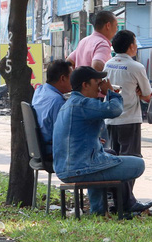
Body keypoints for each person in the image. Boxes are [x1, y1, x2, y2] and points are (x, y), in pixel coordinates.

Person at [52, 66, 145, 216]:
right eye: (97, 82)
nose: (100, 85)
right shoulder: (82, 104)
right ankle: (115, 207)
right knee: (138, 164)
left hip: (66, 167)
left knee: (106, 157)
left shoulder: (70, 104)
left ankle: (99, 211)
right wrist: (111, 92)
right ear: (85, 85)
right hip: (79, 167)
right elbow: (114, 110)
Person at [104, 30, 152, 213]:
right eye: (135, 43)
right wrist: (140, 93)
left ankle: (118, 201)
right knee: (130, 161)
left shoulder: (107, 65)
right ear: (131, 46)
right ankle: (126, 203)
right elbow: (148, 96)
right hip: (129, 119)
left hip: (110, 119)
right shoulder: (136, 67)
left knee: (114, 159)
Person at [31, 60, 73, 157]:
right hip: (53, 150)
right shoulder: (57, 101)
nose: (73, 81)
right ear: (63, 78)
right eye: (71, 77)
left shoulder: (40, 90)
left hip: (39, 148)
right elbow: (64, 135)